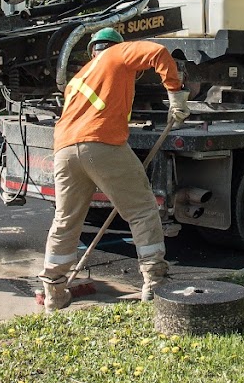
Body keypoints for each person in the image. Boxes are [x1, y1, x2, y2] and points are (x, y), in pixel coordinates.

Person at [39, 27, 189, 313]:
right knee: (142, 209)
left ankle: (54, 292)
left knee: (66, 220)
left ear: (91, 50)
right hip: (101, 143)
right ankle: (155, 282)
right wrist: (176, 95)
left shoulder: (78, 78)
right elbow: (158, 53)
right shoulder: (117, 54)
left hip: (64, 151)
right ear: (112, 46)